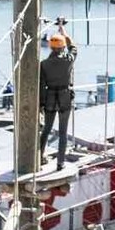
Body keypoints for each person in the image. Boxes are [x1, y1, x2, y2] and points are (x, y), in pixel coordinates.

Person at [39, 19, 77, 171]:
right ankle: (60, 163)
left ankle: (39, 157)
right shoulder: (68, 60)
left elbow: (42, 85)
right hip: (65, 97)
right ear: (62, 47)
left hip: (49, 97)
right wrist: (63, 31)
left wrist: (41, 103)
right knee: (63, 132)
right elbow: (73, 47)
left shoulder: (44, 64)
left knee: (46, 130)